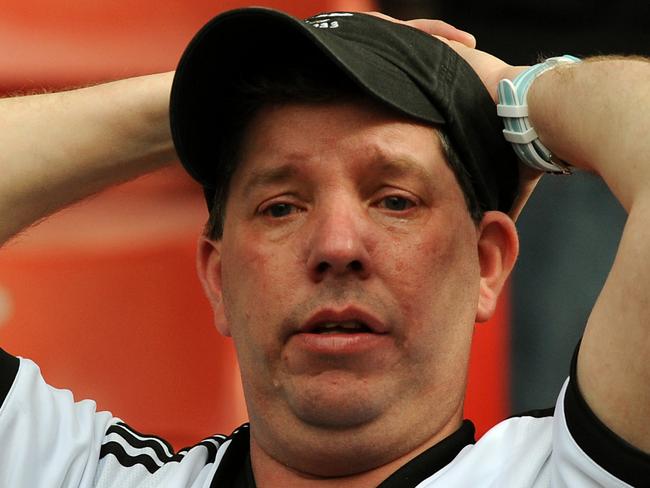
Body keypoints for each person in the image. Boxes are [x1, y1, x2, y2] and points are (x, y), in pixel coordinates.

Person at [0, 7, 648, 488]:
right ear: (218, 277)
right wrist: (188, 105)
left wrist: (519, 93)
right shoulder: (85, 476)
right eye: (281, 206)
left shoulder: (562, 475)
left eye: (395, 200)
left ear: (486, 263)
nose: (337, 246)